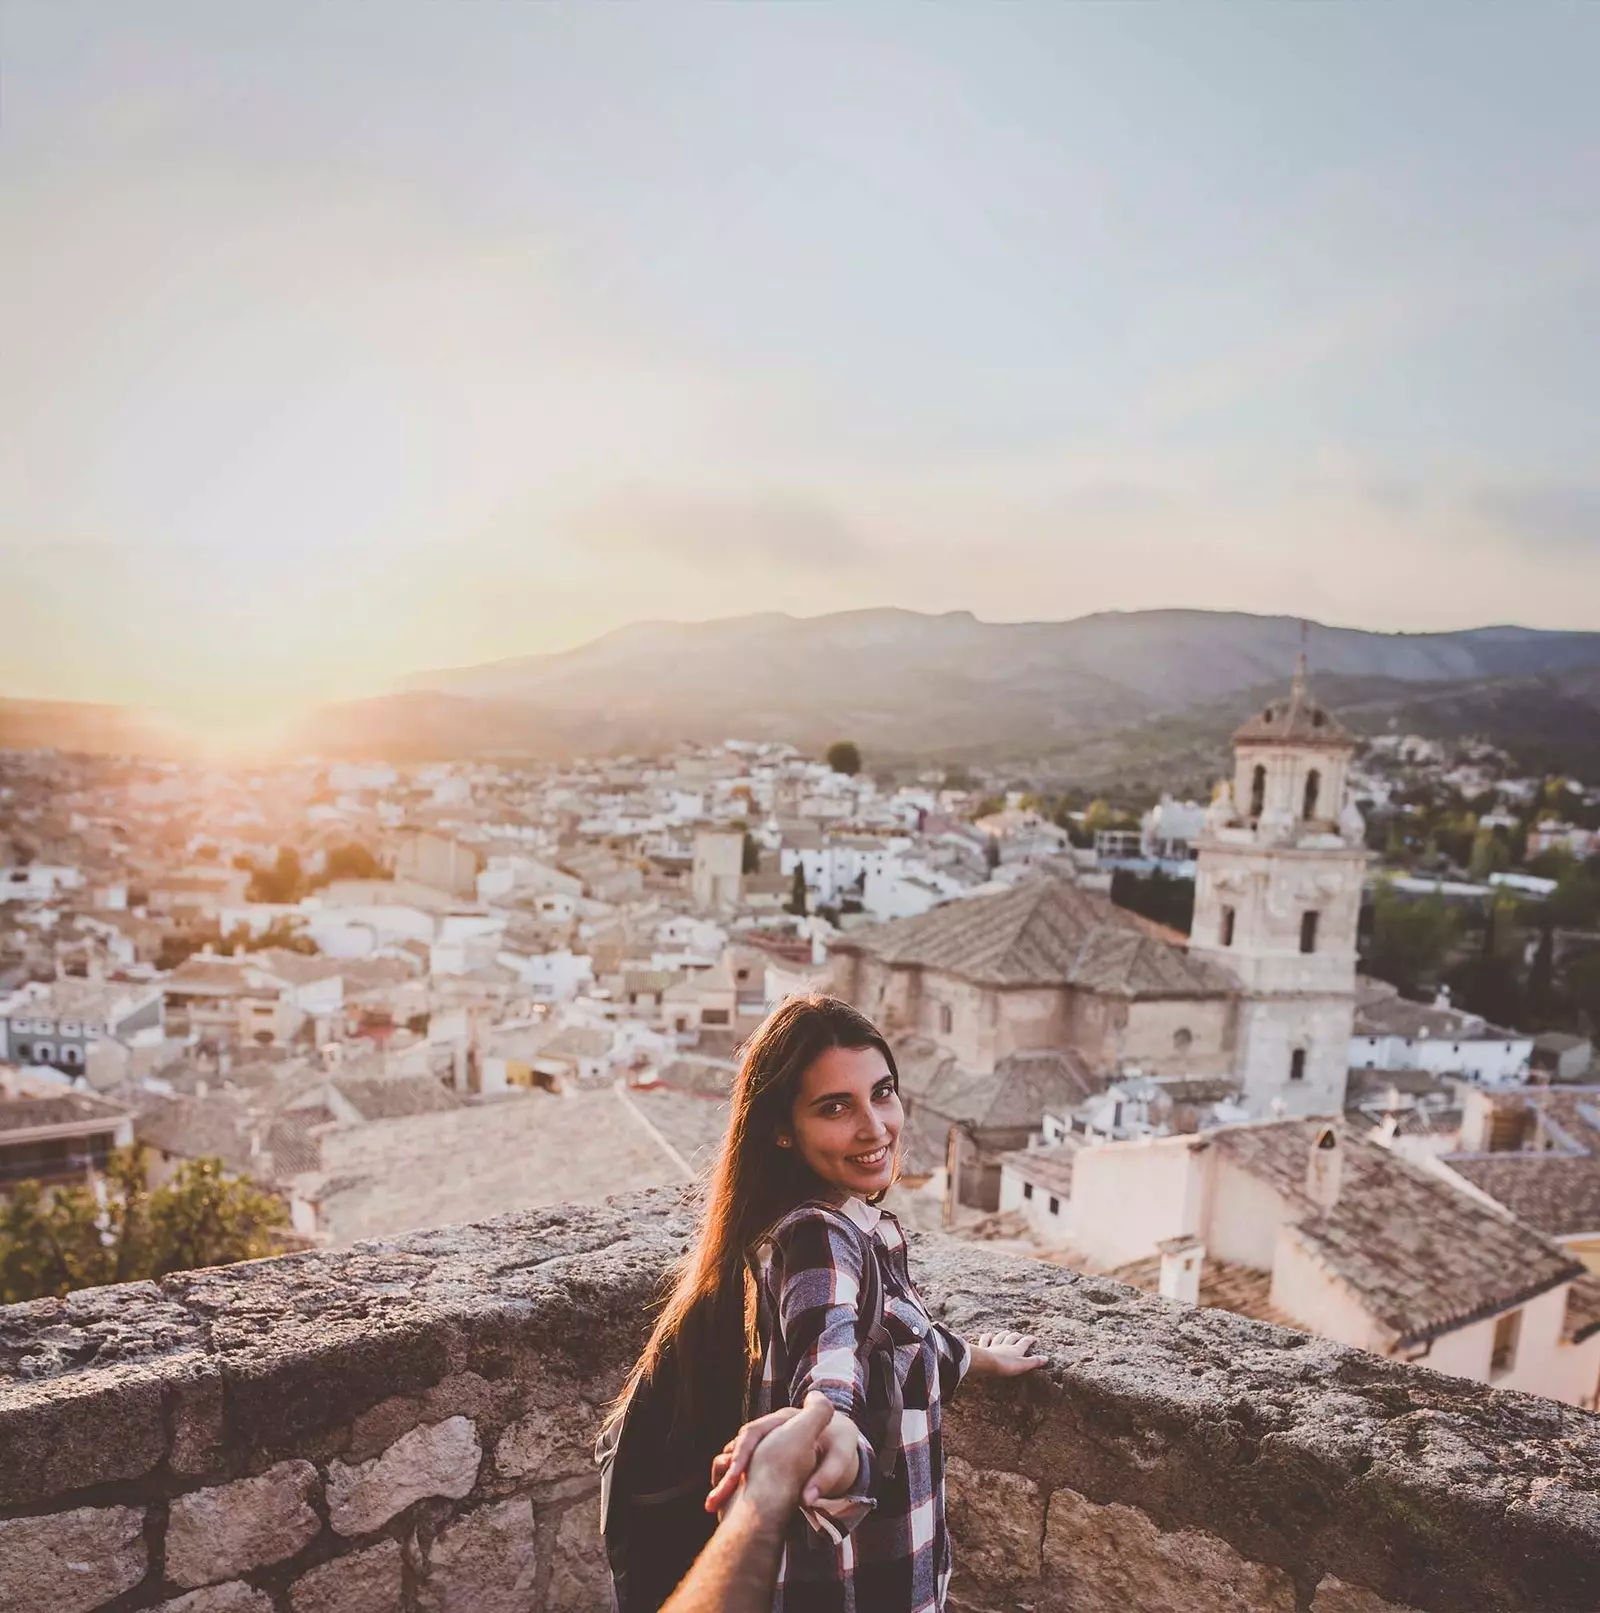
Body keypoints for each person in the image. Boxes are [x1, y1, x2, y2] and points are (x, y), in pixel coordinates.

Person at [606, 993, 1043, 1613]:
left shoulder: (825, 1229)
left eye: (882, 1093)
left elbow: (890, 1341)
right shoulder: (820, 1237)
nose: (874, 1127)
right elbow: (829, 1361)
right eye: (835, 1107)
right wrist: (829, 1428)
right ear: (782, 1130)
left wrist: (972, 1357)